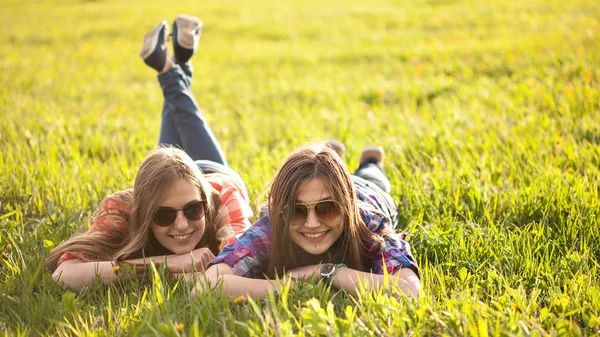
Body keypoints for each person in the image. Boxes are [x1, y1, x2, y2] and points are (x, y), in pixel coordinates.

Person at [46, 15, 253, 289]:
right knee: (182, 119)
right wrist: (167, 264)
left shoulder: (224, 198)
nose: (181, 225)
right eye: (164, 215)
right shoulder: (123, 207)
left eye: (193, 210)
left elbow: (241, 265)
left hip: (216, 174)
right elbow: (64, 274)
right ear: (143, 211)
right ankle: (178, 62)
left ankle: (174, 65)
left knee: (183, 123)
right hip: (167, 177)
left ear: (205, 202)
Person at [193, 143, 420, 299]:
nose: (312, 223)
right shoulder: (273, 224)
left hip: (369, 193)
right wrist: (285, 284)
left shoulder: (367, 223)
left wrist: (331, 272)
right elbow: (204, 287)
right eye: (296, 210)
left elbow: (410, 289)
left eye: (328, 208)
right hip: (333, 185)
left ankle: (370, 161)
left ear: (346, 208)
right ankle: (334, 156)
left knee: (371, 176)